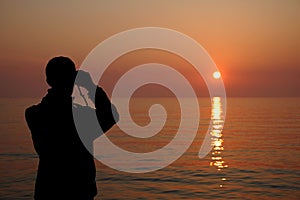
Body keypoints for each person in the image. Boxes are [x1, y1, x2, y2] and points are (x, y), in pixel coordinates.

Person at [25, 56, 118, 200]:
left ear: (48, 81)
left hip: (47, 189)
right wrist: (90, 86)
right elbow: (112, 116)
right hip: (79, 191)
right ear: (74, 80)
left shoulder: (33, 114)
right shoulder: (81, 117)